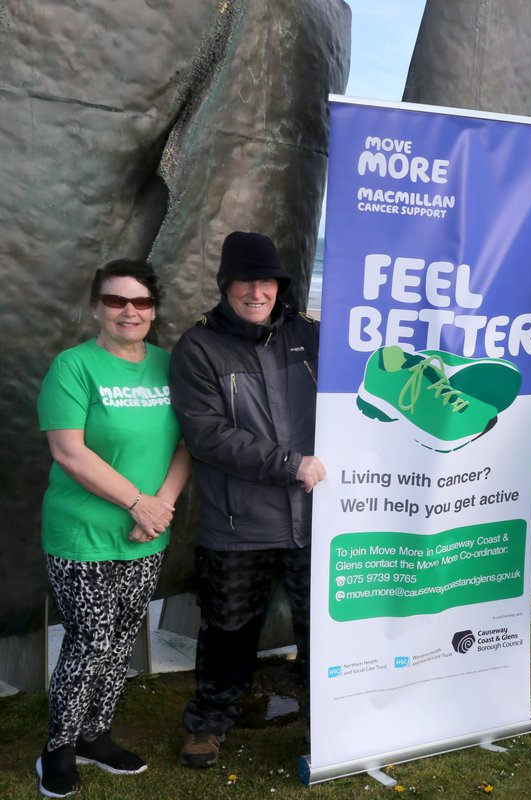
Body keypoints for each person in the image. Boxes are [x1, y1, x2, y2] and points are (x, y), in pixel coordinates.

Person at [169, 231, 326, 768]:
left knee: (321, 628)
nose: (257, 292)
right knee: (228, 630)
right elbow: (208, 435)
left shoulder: (310, 336)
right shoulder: (199, 347)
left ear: (280, 287)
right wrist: (291, 465)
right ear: (226, 285)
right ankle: (210, 723)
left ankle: (326, 721)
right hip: (237, 525)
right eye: (246, 281)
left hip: (315, 518)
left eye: (268, 282)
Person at [36, 259, 191, 798]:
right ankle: (57, 748)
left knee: (122, 637)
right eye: (116, 301)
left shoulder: (171, 365)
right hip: (83, 533)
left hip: (148, 533)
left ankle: (95, 736)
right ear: (97, 308)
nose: (130, 311)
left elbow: (185, 443)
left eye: (141, 302)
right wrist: (136, 503)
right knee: (91, 639)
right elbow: (68, 450)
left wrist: (160, 508)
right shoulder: (73, 367)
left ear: (154, 310)